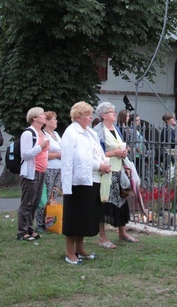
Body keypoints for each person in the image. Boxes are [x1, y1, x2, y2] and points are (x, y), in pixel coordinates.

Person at [61, 101, 111, 265]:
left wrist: (104, 163)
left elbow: (97, 151)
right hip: (78, 181)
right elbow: (78, 158)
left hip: (94, 178)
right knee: (75, 216)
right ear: (79, 116)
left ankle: (80, 249)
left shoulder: (89, 132)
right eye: (88, 115)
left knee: (86, 216)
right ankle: (69, 252)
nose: (91, 117)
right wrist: (99, 165)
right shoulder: (71, 132)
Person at [94, 102, 138, 248]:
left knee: (121, 201)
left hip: (119, 171)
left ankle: (122, 232)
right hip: (106, 171)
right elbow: (96, 154)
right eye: (111, 111)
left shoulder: (116, 128)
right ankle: (103, 237)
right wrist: (115, 153)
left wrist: (124, 151)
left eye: (114, 111)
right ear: (103, 115)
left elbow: (119, 145)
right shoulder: (98, 131)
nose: (114, 113)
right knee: (104, 203)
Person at [17, 107, 50, 241]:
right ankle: (22, 232)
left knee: (36, 202)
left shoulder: (43, 133)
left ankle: (30, 229)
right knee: (27, 203)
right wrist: (40, 146)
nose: (44, 116)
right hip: (31, 172)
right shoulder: (29, 133)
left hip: (41, 171)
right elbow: (25, 154)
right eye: (42, 114)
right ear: (34, 118)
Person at [35, 111, 62, 234]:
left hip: (59, 167)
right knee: (45, 195)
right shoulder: (44, 135)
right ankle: (40, 223)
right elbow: (43, 153)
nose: (56, 121)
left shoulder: (56, 134)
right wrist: (57, 155)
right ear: (47, 121)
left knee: (54, 195)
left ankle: (50, 221)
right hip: (49, 168)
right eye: (54, 119)